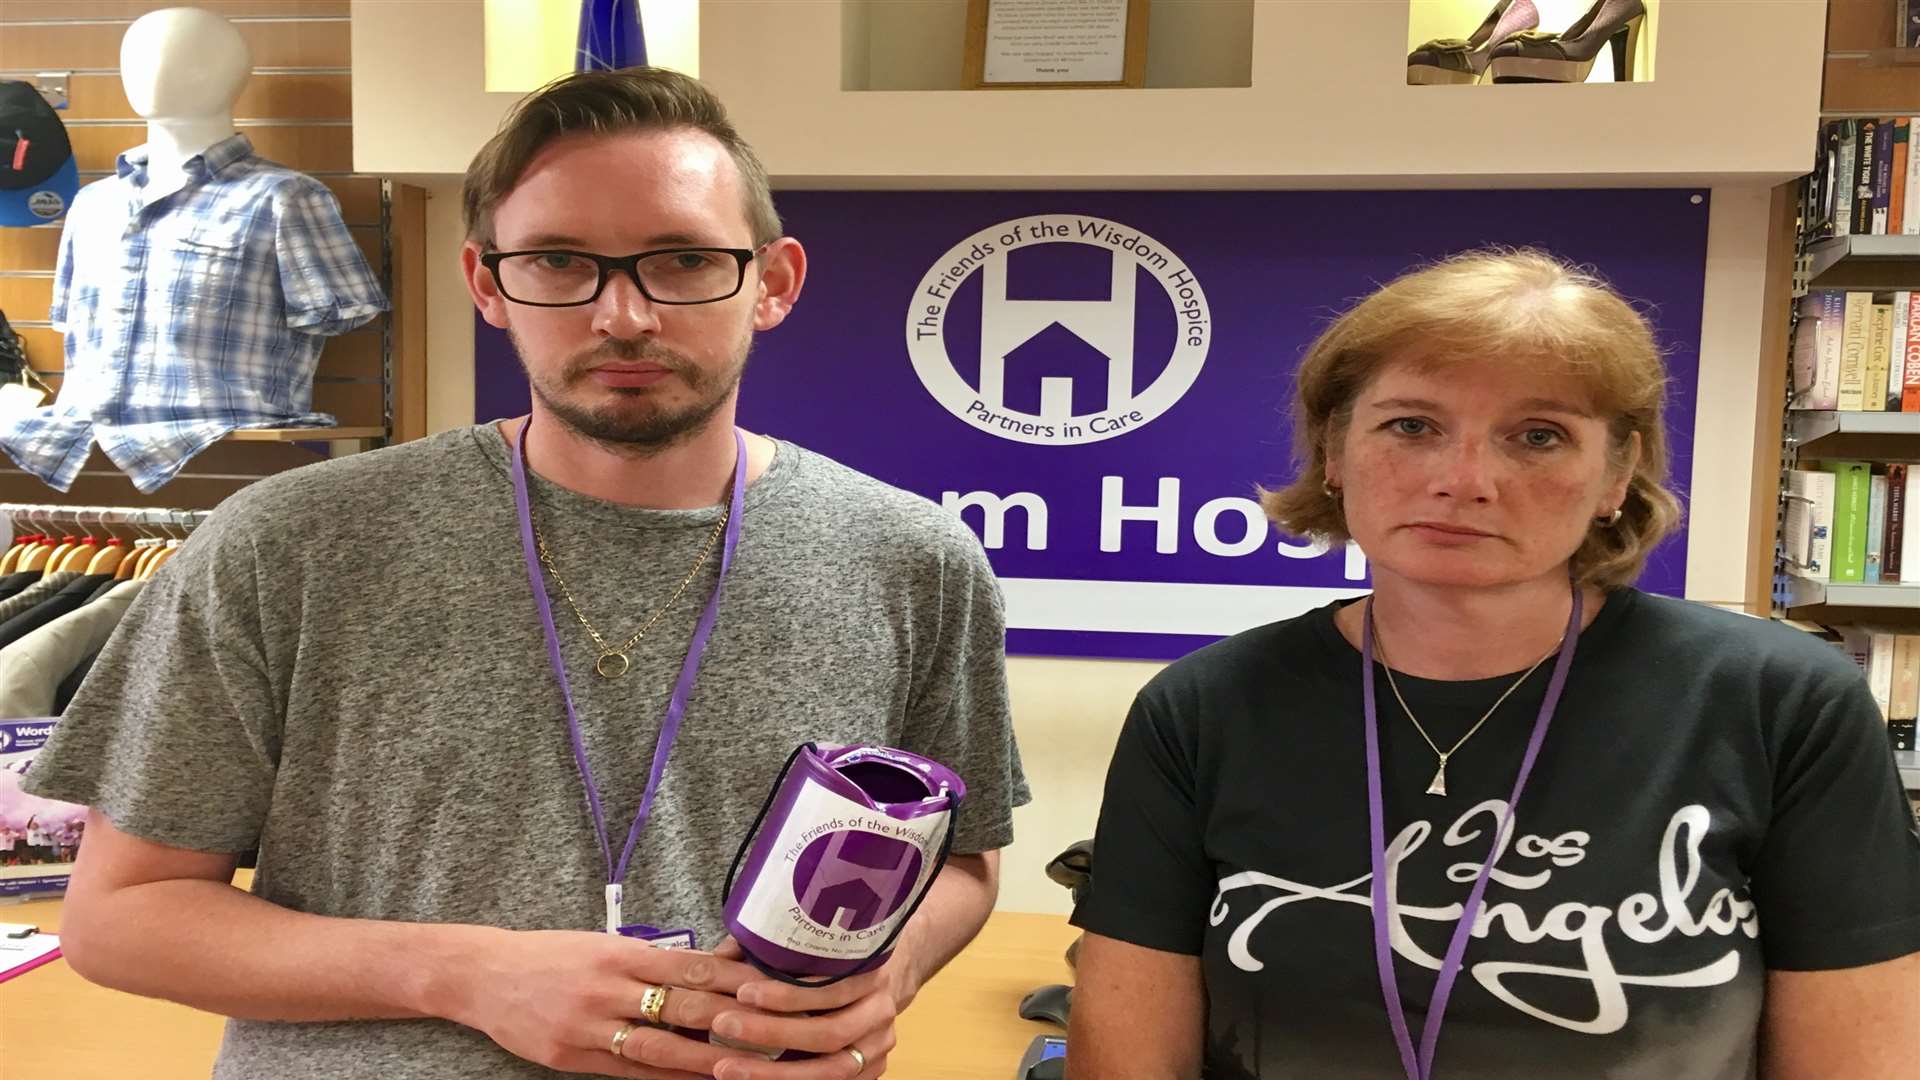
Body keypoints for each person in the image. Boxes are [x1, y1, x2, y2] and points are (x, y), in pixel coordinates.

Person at [25, 67, 1027, 1080]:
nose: (624, 316)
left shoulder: (913, 562)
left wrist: (879, 982)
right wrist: (462, 973)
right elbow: (121, 917)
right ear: (487, 283)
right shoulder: (291, 541)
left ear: (772, 280)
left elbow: (965, 864)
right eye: (558, 261)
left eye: (682, 261)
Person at [1066, 249, 1920, 1079]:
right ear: (1334, 450)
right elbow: (1130, 1058)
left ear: (1616, 472)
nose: (1466, 478)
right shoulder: (1204, 708)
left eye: (1538, 436)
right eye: (1412, 425)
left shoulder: (1780, 702)